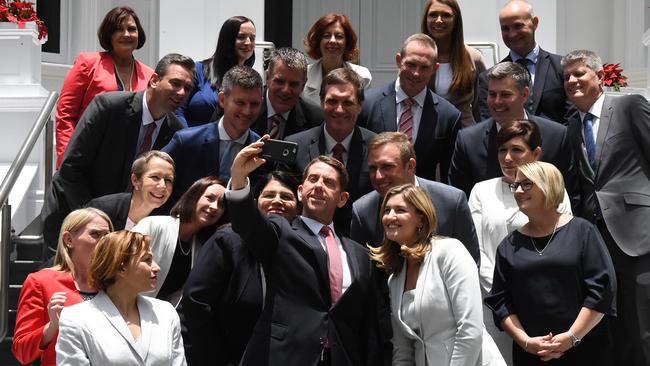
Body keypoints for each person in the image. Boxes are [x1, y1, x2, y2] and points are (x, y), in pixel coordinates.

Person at [226, 143, 381, 365]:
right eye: (313, 179)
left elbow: (369, 326)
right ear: (300, 192)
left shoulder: (360, 255)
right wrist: (239, 178)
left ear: (342, 198)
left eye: (328, 183)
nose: (319, 186)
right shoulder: (280, 231)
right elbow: (248, 223)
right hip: (283, 356)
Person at [41, 53, 192, 252]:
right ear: (154, 80)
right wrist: (96, 219)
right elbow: (72, 168)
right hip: (74, 217)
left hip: (123, 232)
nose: (181, 92)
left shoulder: (176, 132)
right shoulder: (108, 107)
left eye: (187, 88)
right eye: (175, 83)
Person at [351, 131, 479, 366]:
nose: (378, 176)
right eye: (372, 168)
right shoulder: (396, 278)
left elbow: (470, 328)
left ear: (410, 165)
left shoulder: (451, 208)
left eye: (387, 167)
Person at [562, 49, 650, 366]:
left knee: (641, 328)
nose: (572, 80)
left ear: (599, 76)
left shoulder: (628, 105)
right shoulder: (571, 127)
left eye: (580, 73)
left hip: (638, 236)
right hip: (597, 241)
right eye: (567, 76)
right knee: (609, 329)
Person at [485, 162, 616, 365]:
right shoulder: (508, 246)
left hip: (586, 348)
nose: (518, 191)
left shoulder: (583, 231)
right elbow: (500, 303)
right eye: (515, 186)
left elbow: (602, 290)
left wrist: (571, 338)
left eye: (527, 184)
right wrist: (526, 342)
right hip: (532, 355)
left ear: (548, 185)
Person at [468, 120, 572, 365]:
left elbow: (564, 240)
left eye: (516, 150)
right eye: (502, 150)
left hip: (547, 299)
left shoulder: (555, 189)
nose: (507, 158)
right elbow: (478, 250)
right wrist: (501, 293)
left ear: (536, 153)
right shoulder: (481, 191)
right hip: (496, 302)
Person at [370, 184, 504, 366]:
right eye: (386, 210)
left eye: (400, 210)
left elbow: (470, 330)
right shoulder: (395, 279)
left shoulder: (449, 251)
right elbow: (403, 350)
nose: (390, 216)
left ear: (421, 219)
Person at [178, 171, 300, 366]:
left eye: (286, 196)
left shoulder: (299, 254)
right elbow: (196, 303)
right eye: (269, 195)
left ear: (298, 207)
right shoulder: (228, 240)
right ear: (254, 203)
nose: (277, 201)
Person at [55, 231, 186, 365]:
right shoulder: (75, 319)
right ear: (120, 267)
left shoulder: (165, 312)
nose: (157, 267)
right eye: (147, 260)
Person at [449, 62, 574, 201]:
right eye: (492, 94)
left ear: (525, 94)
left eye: (505, 95)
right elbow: (459, 200)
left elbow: (569, 192)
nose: (497, 101)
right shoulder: (469, 141)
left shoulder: (556, 136)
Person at [55, 6, 153, 167]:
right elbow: (65, 115)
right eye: (118, 29)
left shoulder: (150, 74)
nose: (126, 34)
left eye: (131, 29)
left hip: (130, 162)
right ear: (109, 34)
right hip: (87, 156)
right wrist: (67, 160)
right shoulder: (88, 63)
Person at [12, 208, 112, 366]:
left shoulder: (114, 282)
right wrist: (52, 327)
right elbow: (22, 351)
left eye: (108, 236)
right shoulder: (41, 281)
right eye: (95, 234)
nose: (104, 242)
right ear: (69, 240)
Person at [358, 33, 461, 183]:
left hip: (421, 201)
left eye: (424, 67)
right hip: (375, 196)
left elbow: (449, 174)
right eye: (411, 64)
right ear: (399, 61)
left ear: (435, 69)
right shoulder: (367, 103)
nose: (416, 73)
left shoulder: (448, 116)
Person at [285, 67, 375, 236]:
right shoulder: (295, 145)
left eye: (347, 103)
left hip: (361, 246)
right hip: (305, 242)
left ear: (360, 106)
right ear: (321, 102)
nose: (339, 110)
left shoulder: (375, 149)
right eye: (332, 101)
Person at [162, 65, 262, 204]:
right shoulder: (186, 141)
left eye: (254, 104)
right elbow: (153, 176)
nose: (247, 111)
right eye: (240, 103)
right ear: (222, 100)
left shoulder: (262, 152)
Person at [131, 177, 226, 306]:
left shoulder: (200, 247)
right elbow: (120, 258)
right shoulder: (154, 224)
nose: (214, 207)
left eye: (221, 204)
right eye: (209, 198)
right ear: (194, 196)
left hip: (153, 318)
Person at [477, 0, 573, 124]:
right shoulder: (487, 79)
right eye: (505, 28)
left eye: (518, 26)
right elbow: (489, 124)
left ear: (535, 23)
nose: (512, 34)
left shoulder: (562, 68)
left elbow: (572, 116)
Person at [176, 16, 256, 127]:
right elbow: (178, 109)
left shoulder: (252, 80)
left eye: (252, 38)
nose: (248, 42)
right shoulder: (199, 70)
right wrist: (187, 137)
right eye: (241, 37)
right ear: (227, 39)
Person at [421, 0, 486, 127]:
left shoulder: (474, 57)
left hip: (464, 133)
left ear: (456, 20)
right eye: (433, 15)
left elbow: (483, 104)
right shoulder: (416, 56)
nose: (439, 20)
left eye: (446, 15)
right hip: (427, 132)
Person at [87, 150, 174, 230]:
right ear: (135, 180)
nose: (163, 186)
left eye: (168, 180)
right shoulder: (102, 209)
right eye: (155, 177)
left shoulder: (167, 223)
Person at [250, 47, 323, 139]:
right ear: (267, 78)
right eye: (279, 82)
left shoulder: (316, 121)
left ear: (303, 85)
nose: (286, 90)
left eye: (293, 84)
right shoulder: (245, 109)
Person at [301, 13, 372, 106]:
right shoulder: (303, 76)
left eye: (339, 36)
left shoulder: (363, 76)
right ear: (318, 41)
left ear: (347, 42)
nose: (332, 40)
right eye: (326, 36)